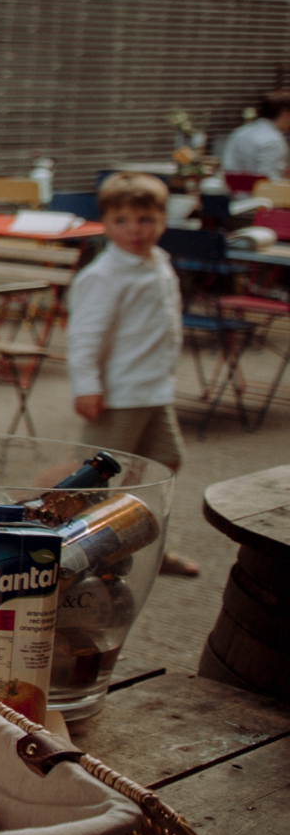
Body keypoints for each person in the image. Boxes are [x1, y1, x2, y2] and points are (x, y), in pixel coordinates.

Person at [68, 172, 200, 575]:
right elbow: (85, 336)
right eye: (122, 221)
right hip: (119, 393)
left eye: (145, 220)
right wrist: (87, 384)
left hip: (153, 388)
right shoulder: (104, 275)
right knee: (90, 478)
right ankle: (73, 549)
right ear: (106, 223)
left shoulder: (158, 262)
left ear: (162, 220)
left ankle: (133, 540)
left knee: (165, 461)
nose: (134, 231)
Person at [219, 90, 290, 188]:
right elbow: (268, 185)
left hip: (232, 198)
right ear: (285, 114)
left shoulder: (240, 132)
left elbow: (228, 170)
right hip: (259, 201)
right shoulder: (274, 141)